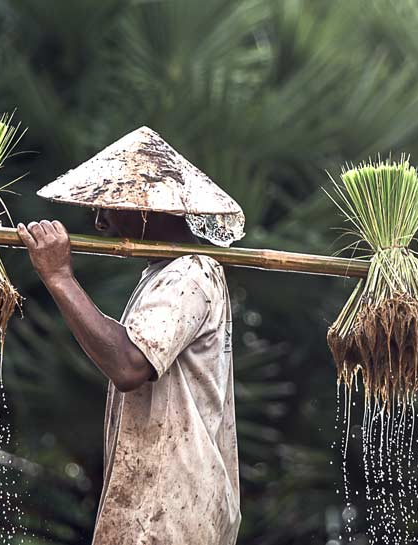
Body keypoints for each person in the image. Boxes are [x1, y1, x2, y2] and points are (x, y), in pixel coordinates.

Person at [15, 127, 246, 544]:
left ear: (149, 206)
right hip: (157, 510)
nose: (101, 222)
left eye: (108, 206)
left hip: (172, 513)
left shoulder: (189, 274)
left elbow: (128, 364)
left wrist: (59, 278)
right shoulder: (163, 274)